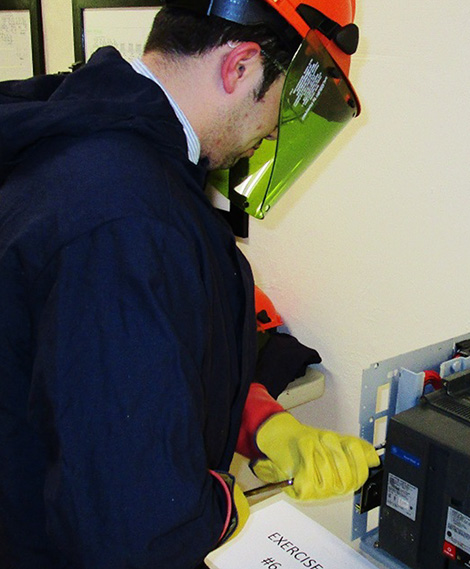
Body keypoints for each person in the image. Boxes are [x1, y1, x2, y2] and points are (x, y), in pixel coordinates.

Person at [0, 0, 378, 567]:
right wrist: (222, 507)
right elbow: (135, 526)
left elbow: (129, 368)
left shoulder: (95, 134)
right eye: (283, 107)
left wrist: (264, 424)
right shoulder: (128, 217)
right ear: (241, 66)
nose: (274, 131)